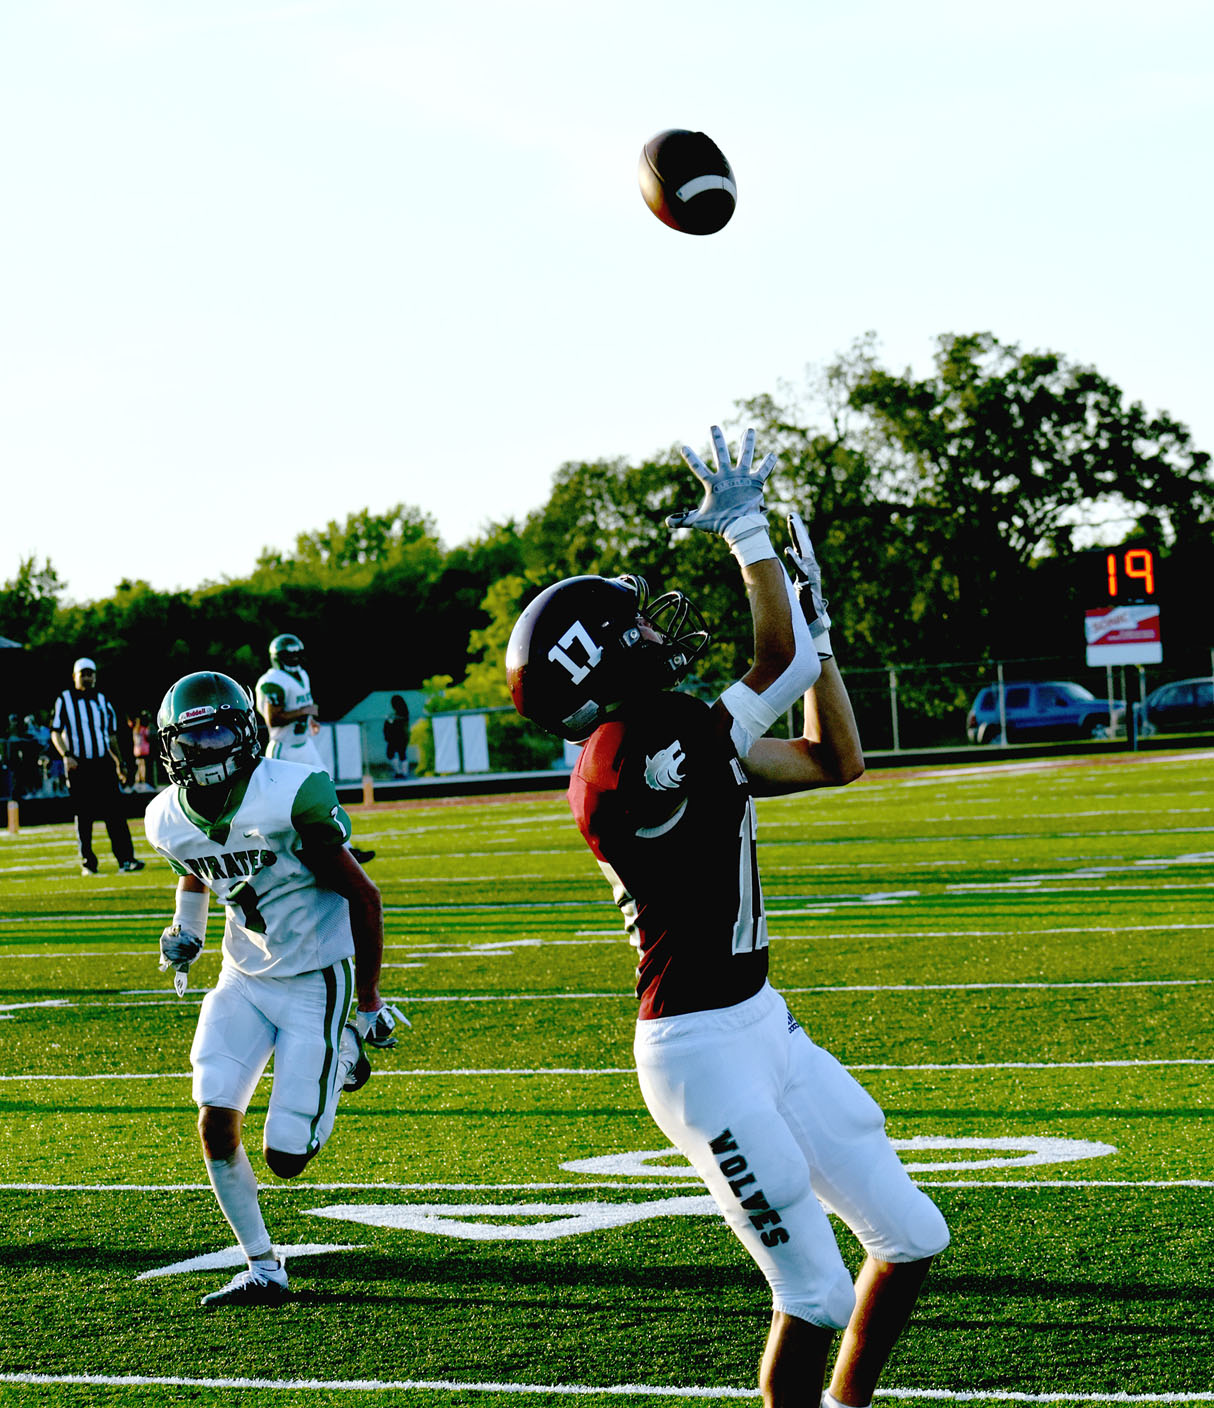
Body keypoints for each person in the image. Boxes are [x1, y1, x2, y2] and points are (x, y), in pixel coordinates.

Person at [506, 426, 948, 1408]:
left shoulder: (670, 742)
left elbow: (835, 758)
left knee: (911, 1237)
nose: (658, 626)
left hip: (755, 1021)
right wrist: (748, 534)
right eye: (636, 623)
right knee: (814, 1291)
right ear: (606, 658)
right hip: (699, 1049)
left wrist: (818, 645)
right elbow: (775, 661)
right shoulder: (639, 746)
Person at [143, 670, 408, 1307]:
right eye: (191, 739)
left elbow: (363, 897)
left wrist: (367, 999)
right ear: (169, 746)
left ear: (244, 734)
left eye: (215, 734)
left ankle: (345, 1049)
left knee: (287, 1155)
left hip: (316, 976)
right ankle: (264, 1268)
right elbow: (200, 867)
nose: (204, 751)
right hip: (243, 975)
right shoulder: (164, 817)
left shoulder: (290, 795)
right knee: (213, 1122)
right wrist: (186, 932)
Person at [255, 633, 375, 863]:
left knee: (325, 790)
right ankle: (275, 850)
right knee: (279, 802)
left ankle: (345, 848)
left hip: (304, 745)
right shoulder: (272, 681)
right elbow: (274, 719)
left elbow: (304, 709)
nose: (296, 659)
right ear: (279, 658)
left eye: (297, 654)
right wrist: (305, 712)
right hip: (284, 748)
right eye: (291, 655)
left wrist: (309, 721)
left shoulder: (301, 675)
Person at [50, 657, 145, 875]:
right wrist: (66, 755)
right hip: (79, 764)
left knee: (116, 814)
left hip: (103, 763)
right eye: (83, 673)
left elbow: (110, 736)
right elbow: (55, 731)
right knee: (84, 815)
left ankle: (126, 860)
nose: (88, 677)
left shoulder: (103, 700)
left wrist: (119, 762)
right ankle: (88, 863)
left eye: (91, 673)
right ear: (74, 676)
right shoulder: (65, 699)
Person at [383, 694, 411, 778]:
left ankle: (400, 772)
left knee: (392, 753)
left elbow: (395, 724)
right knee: (401, 753)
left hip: (396, 737)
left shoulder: (401, 714)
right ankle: (403, 772)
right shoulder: (403, 713)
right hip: (402, 737)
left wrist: (390, 720)